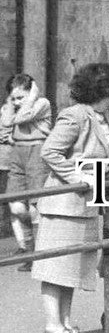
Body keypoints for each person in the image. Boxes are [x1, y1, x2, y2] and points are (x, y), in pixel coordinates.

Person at [32, 63, 109, 333]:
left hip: (86, 205)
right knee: (57, 266)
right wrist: (78, 176)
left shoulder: (103, 116)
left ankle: (66, 323)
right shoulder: (75, 115)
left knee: (72, 266)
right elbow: (50, 152)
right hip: (64, 203)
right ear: (103, 90)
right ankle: (52, 325)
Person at [0, 74, 52, 269]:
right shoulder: (10, 107)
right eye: (13, 98)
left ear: (32, 92)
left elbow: (24, 117)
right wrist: (10, 105)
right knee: (16, 204)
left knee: (36, 204)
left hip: (37, 151)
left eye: (20, 97)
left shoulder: (42, 103)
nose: (16, 102)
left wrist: (29, 100)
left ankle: (39, 252)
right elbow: (5, 124)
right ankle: (28, 248)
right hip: (17, 153)